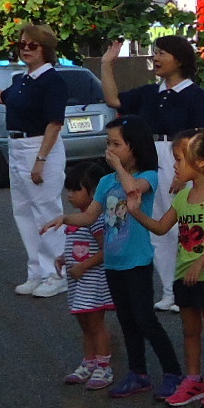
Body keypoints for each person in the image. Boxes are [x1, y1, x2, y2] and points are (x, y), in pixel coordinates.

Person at [46, 116, 182, 399]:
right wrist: (63, 217)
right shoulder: (107, 181)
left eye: (116, 144)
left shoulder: (149, 176)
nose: (110, 149)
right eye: (108, 143)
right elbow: (90, 215)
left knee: (146, 320)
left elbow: (133, 191)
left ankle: (173, 373)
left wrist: (119, 166)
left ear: (134, 147)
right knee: (127, 321)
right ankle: (138, 374)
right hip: (114, 263)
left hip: (137, 260)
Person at [100, 37, 204, 312]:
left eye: (162, 53)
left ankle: (191, 287)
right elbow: (113, 98)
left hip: (179, 155)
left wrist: (184, 170)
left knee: (180, 225)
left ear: (178, 59)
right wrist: (106, 64)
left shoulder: (195, 95)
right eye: (156, 52)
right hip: (152, 154)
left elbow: (200, 135)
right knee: (156, 226)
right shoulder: (151, 92)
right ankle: (170, 291)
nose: (156, 58)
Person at [127, 130, 204, 408]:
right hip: (183, 276)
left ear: (199, 163)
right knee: (190, 331)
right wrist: (137, 213)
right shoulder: (182, 197)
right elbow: (163, 227)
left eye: (178, 160)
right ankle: (194, 380)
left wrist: (201, 261)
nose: (174, 166)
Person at [0, 25, 69, 297]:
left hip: (39, 145)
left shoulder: (52, 80)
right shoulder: (22, 80)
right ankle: (37, 271)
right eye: (22, 44)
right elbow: (2, 97)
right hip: (17, 145)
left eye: (32, 45)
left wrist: (41, 159)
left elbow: (55, 123)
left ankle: (57, 274)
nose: (25, 48)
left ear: (45, 49)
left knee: (46, 212)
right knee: (23, 212)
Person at [57, 160, 115, 390]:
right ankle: (88, 361)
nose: (70, 195)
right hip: (78, 281)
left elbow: (106, 249)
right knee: (84, 323)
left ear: (93, 192)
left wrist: (84, 265)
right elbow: (76, 245)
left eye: (76, 190)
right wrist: (64, 258)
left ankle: (104, 365)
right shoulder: (77, 218)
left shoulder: (96, 219)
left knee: (96, 324)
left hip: (93, 281)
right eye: (68, 190)